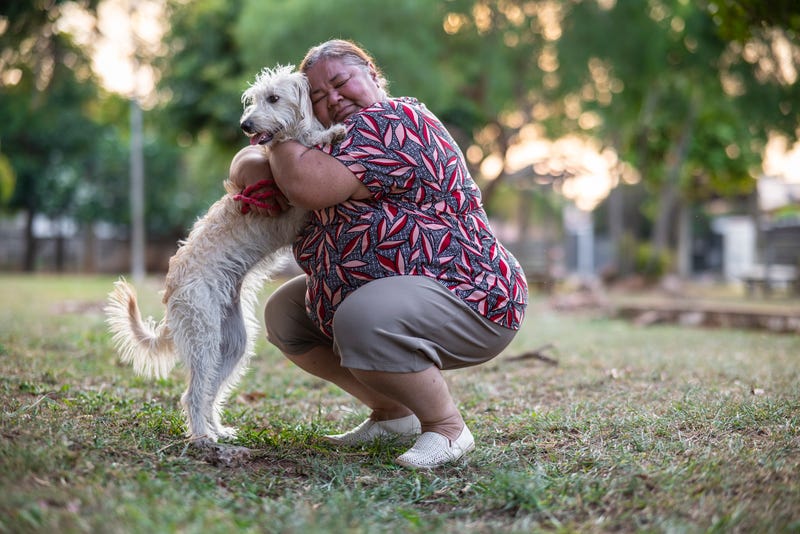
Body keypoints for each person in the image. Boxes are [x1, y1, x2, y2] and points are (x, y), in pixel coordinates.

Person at [231, 39, 528, 469]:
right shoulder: (323, 144)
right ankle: (394, 415)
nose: (332, 98)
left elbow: (304, 187)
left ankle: (446, 428)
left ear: (371, 73)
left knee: (361, 318)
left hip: (471, 292)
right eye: (317, 96)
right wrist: (272, 137)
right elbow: (247, 167)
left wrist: (274, 133)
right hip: (386, 291)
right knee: (286, 314)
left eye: (341, 82)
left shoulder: (395, 120)